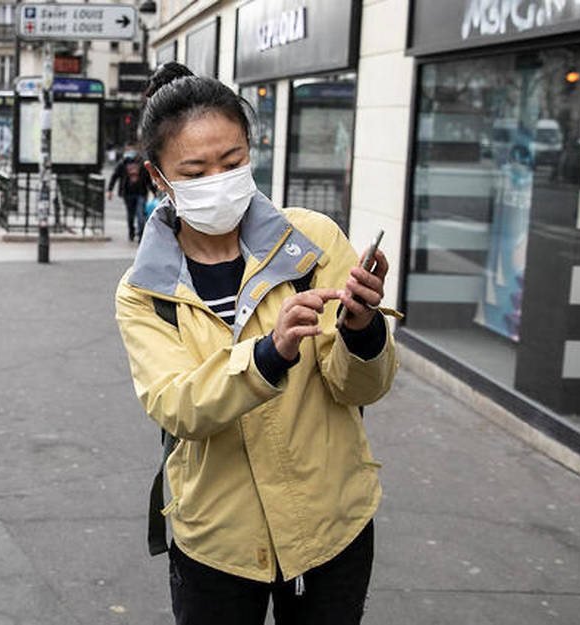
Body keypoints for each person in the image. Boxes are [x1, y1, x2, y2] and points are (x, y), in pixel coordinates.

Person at [114, 62, 398, 624]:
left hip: (330, 525)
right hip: (219, 541)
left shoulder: (312, 241)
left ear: (251, 153)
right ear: (158, 177)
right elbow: (177, 406)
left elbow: (359, 387)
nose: (218, 180)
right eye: (195, 171)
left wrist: (362, 330)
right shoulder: (144, 291)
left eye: (233, 161)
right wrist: (270, 354)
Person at [107, 144, 152, 241]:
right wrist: (110, 190)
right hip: (128, 193)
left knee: (140, 214)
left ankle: (140, 236)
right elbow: (115, 176)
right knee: (130, 215)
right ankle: (131, 232)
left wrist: (153, 191)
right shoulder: (122, 164)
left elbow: (147, 179)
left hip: (141, 192)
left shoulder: (142, 163)